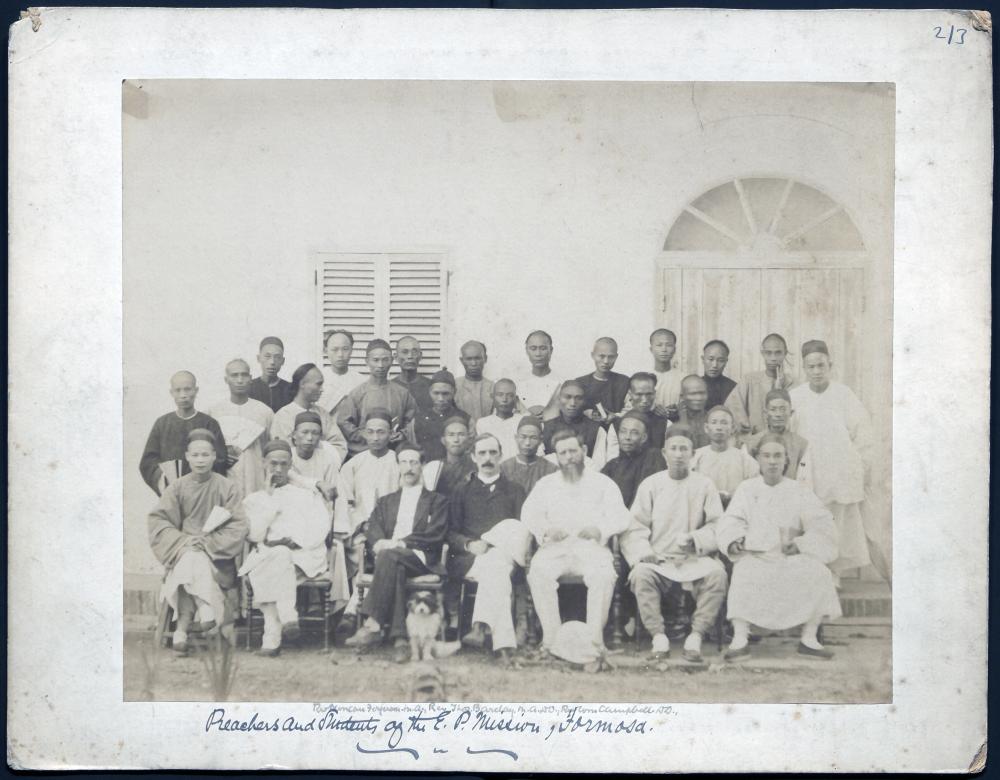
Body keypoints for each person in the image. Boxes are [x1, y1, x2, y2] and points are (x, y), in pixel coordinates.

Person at [716, 433, 842, 660]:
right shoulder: (747, 489)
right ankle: (740, 638)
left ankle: (809, 639)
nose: (772, 461)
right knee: (743, 571)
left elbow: (822, 524)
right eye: (766, 456)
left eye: (778, 456)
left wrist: (801, 544)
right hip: (757, 557)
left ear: (786, 460)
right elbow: (731, 521)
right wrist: (735, 541)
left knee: (820, 572)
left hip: (789, 557)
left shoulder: (799, 490)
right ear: (758, 459)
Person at [621, 427, 727, 662]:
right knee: (640, 575)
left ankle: (696, 636)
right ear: (664, 453)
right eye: (674, 449)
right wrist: (644, 552)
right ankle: (658, 637)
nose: (678, 454)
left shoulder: (704, 485)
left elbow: (717, 525)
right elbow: (634, 526)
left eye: (684, 449)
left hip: (695, 559)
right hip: (659, 559)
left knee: (718, 575)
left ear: (693, 454)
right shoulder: (651, 484)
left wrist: (696, 540)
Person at [523, 429, 631, 652]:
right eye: (563, 453)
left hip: (591, 550)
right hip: (555, 550)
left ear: (583, 451)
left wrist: (600, 529)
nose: (569, 457)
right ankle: (552, 641)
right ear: (557, 457)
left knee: (603, 574)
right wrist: (546, 530)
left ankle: (594, 642)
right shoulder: (546, 484)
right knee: (538, 573)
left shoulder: (603, 483)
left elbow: (621, 516)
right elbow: (529, 514)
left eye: (573, 451)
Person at [345, 443, 449, 663]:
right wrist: (379, 542)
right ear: (398, 466)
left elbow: (435, 534)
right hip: (392, 560)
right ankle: (400, 640)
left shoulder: (436, 501)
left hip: (421, 558)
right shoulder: (386, 501)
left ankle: (373, 623)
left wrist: (400, 542)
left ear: (422, 466)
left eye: (414, 462)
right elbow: (373, 528)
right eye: (404, 462)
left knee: (389, 556)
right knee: (395, 565)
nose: (408, 467)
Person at [239, 439, 343, 657]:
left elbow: (320, 528)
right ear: (263, 463)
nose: (278, 469)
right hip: (268, 556)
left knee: (277, 560)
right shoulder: (254, 499)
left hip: (303, 555)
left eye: (284, 464)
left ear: (290, 465)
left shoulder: (306, 495)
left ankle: (272, 637)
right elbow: (255, 535)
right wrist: (268, 498)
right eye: (273, 463)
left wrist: (296, 542)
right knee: (277, 557)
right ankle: (287, 615)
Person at [147, 429, 248, 653]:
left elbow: (238, 525)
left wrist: (209, 543)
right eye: (195, 455)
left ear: (214, 456)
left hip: (216, 555)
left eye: (205, 455)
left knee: (193, 561)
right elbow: (159, 521)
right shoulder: (177, 487)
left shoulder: (227, 487)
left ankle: (181, 629)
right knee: (192, 558)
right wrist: (184, 541)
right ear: (187, 457)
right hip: (184, 549)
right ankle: (205, 607)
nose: (200, 460)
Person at [789, 340, 880, 579]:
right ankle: (815, 575)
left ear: (830, 365)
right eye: (811, 367)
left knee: (838, 525)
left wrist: (857, 466)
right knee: (812, 522)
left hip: (840, 472)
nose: (817, 371)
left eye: (821, 365)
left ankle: (834, 575)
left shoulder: (843, 394)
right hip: (810, 472)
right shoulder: (795, 397)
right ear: (804, 368)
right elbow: (789, 435)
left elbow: (863, 433)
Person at [446, 434, 528, 664]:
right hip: (469, 559)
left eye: (493, 452)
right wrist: (469, 544)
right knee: (496, 568)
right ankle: (502, 644)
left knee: (497, 561)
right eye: (482, 453)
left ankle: (480, 627)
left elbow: (522, 529)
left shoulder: (515, 490)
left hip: (506, 557)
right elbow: (450, 532)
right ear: (473, 457)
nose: (487, 458)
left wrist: (499, 544)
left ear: (501, 455)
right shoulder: (461, 490)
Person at [140, 371, 228, 495]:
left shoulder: (209, 423)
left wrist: (200, 479)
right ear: (171, 392)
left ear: (196, 390)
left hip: (203, 493)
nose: (183, 395)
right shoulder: (162, 423)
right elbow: (148, 461)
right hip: (171, 492)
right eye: (178, 390)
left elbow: (220, 460)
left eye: (188, 389)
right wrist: (165, 479)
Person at [337, 339, 416, 456]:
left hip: (394, 453)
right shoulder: (357, 393)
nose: (381, 365)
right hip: (363, 453)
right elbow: (343, 422)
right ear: (367, 361)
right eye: (375, 360)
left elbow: (413, 420)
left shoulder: (402, 393)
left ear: (392, 360)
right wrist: (363, 434)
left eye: (385, 360)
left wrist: (403, 434)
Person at [208, 359, 273, 497]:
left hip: (255, 478)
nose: (240, 380)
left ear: (250, 379)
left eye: (244, 375)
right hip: (225, 477)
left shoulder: (264, 412)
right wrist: (220, 457)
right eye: (234, 375)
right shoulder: (214, 411)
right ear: (226, 379)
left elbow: (270, 448)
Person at [726, 333, 796, 441]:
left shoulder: (793, 383)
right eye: (768, 353)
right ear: (762, 353)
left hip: (783, 442)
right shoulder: (749, 380)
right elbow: (732, 406)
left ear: (785, 353)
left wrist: (780, 388)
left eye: (778, 353)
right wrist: (747, 432)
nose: (773, 358)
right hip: (754, 441)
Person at [271, 363, 348, 460]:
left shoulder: (323, 414)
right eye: (318, 384)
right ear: (302, 384)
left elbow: (339, 445)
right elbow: (281, 453)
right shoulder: (283, 416)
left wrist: (320, 451)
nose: (322, 389)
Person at [691, 406, 760, 507]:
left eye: (724, 423)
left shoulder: (745, 460)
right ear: (706, 428)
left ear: (732, 428)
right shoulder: (695, 457)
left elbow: (754, 491)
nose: (719, 427)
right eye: (714, 422)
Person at [601, 412, 667, 509]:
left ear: (644, 438)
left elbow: (647, 500)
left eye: (634, 433)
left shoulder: (653, 458)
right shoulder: (611, 466)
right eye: (623, 432)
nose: (627, 437)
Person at [541, 380, 610, 468]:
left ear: (584, 401)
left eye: (578, 398)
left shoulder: (597, 430)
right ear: (559, 399)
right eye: (567, 397)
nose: (572, 403)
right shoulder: (545, 427)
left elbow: (599, 465)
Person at [743, 389, 810, 480]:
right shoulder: (751, 443)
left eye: (783, 409)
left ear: (791, 413)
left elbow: (804, 477)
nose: (778, 414)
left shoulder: (801, 445)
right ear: (765, 413)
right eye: (773, 409)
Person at [287, 411, 342, 514]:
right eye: (304, 432)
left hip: (320, 514)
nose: (310, 438)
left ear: (320, 436)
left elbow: (335, 491)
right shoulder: (286, 456)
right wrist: (319, 484)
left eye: (315, 433)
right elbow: (292, 478)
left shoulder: (327, 458)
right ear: (294, 434)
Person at [410, 369, 470, 462]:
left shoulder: (465, 419)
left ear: (454, 392)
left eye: (445, 394)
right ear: (429, 392)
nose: (440, 398)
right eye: (436, 393)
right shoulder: (418, 420)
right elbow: (413, 450)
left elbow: (470, 450)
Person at [476, 379, 538, 462]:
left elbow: (537, 453)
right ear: (492, 397)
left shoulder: (523, 421)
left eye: (510, 395)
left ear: (515, 399)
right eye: (500, 395)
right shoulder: (483, 423)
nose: (504, 399)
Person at [574, 337, 631, 423]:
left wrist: (616, 416)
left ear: (616, 357)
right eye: (601, 356)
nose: (606, 361)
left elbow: (631, 410)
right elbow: (573, 409)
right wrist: (589, 413)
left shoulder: (625, 382)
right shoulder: (579, 383)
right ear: (593, 355)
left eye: (611, 357)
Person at [499, 416, 558, 496]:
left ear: (541, 440)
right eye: (523, 437)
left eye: (533, 438)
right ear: (516, 438)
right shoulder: (504, 468)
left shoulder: (551, 469)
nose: (527, 443)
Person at [612, 372, 668, 452]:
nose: (644, 400)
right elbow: (612, 455)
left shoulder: (665, 423)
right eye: (639, 394)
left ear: (654, 393)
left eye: (649, 394)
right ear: (630, 394)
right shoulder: (617, 422)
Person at [423, 416, 476, 497]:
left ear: (468, 439)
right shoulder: (435, 467)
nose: (456, 440)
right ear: (443, 440)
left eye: (461, 434)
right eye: (451, 435)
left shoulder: (475, 466)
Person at [516, 330, 563, 420]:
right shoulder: (518, 383)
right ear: (527, 351)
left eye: (543, 348)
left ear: (551, 350)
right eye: (533, 349)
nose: (538, 354)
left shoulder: (562, 382)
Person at [318, 329, 366, 415]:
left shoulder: (362, 381)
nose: (340, 354)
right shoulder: (317, 378)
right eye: (334, 349)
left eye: (345, 349)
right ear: (325, 350)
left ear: (351, 350)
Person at [249, 337, 295, 413]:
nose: (272, 362)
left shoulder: (291, 389)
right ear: (258, 358)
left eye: (277, 357)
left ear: (283, 361)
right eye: (267, 356)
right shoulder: (249, 387)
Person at [454, 340, 494, 424]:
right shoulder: (454, 386)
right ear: (462, 360)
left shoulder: (493, 387)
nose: (473, 363)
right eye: (469, 359)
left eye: (477, 358)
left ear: (485, 359)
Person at [392, 336, 433, 412]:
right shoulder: (390, 387)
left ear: (420, 356)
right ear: (396, 357)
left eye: (414, 352)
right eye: (405, 352)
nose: (410, 356)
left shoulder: (431, 386)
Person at [649, 328, 683, 421]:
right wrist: (652, 409)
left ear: (674, 350)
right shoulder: (644, 377)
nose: (664, 349)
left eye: (669, 345)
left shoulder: (683, 378)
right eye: (659, 345)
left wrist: (678, 410)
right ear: (651, 349)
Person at [701, 340, 738, 410]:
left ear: (726, 362)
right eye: (711, 359)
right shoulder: (693, 386)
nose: (715, 365)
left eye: (721, 360)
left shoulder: (734, 388)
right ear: (703, 359)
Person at [676, 375, 711, 449]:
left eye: (702, 393)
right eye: (693, 394)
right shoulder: (672, 418)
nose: (699, 398)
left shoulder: (713, 419)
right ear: (682, 396)